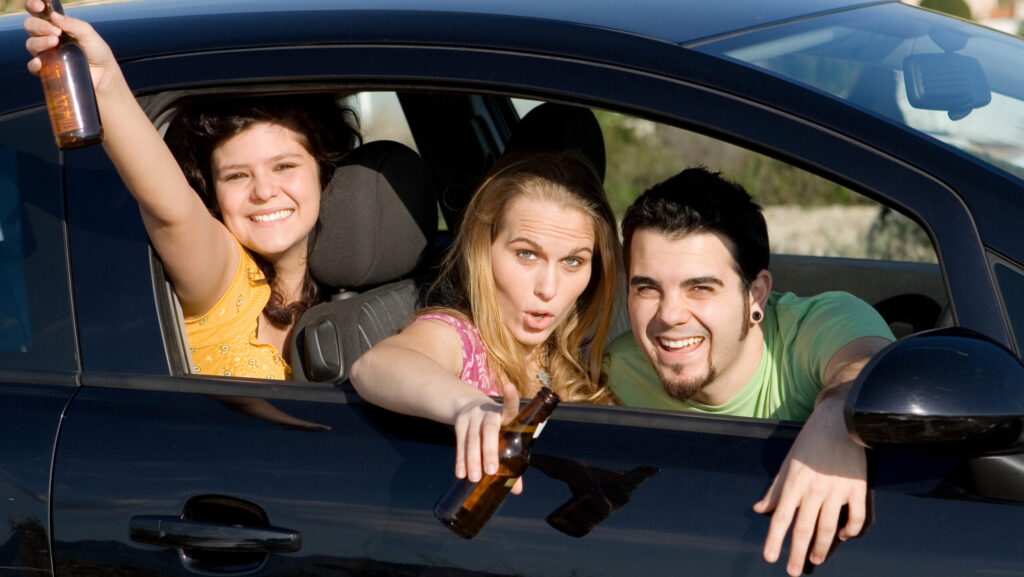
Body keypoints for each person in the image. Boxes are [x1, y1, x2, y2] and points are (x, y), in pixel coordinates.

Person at [23, 2, 358, 380]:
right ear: (212, 189)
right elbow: (174, 211)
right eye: (236, 176)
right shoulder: (227, 279)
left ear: (323, 172)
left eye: (284, 166)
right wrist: (104, 84)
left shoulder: (374, 286)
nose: (264, 191)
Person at [602, 167, 895, 576]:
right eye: (647, 288)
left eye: (700, 288)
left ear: (755, 293)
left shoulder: (815, 325)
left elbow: (869, 366)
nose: (668, 315)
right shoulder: (612, 372)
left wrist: (837, 417)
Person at [351, 149, 621, 491]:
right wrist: (470, 406)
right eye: (526, 254)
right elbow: (376, 365)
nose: (549, 289)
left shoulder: (576, 348)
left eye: (572, 261)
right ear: (484, 249)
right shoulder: (461, 338)